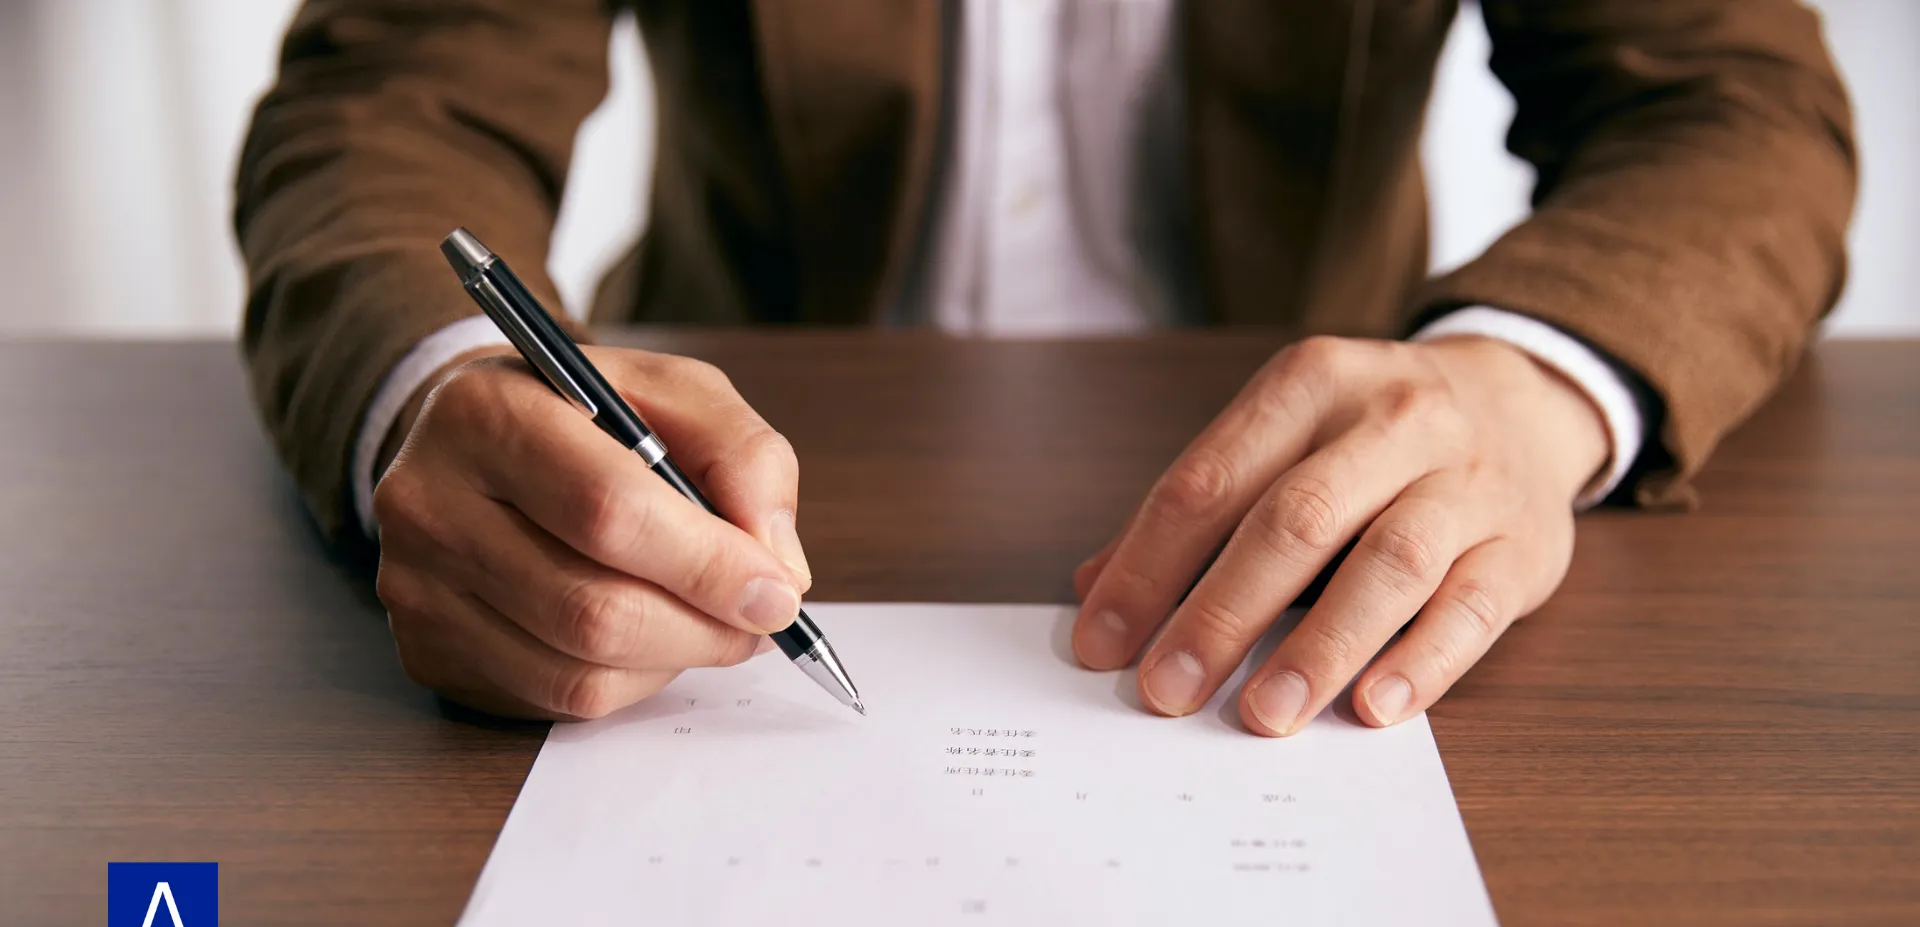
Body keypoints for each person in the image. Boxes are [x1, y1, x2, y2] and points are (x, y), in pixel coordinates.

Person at [233, 0, 1854, 734]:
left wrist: (1525, 378)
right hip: (724, 466)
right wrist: (443, 386)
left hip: (1308, 494)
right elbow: (391, 103)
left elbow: (1733, 105)